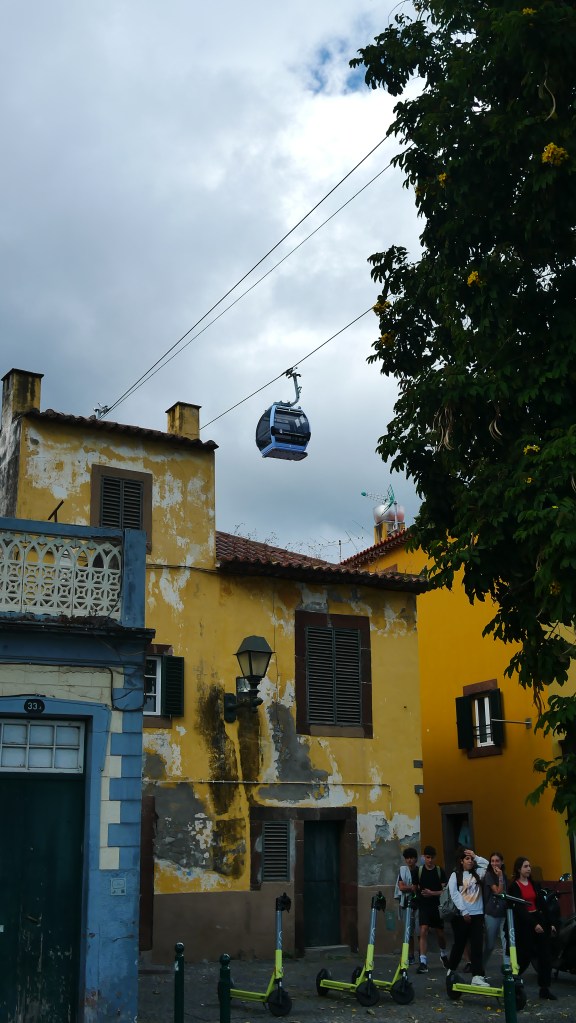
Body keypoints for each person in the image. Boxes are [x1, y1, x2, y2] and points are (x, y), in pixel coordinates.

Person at [509, 856, 557, 1000]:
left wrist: (550, 923)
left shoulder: (534, 884)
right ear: (519, 869)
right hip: (525, 923)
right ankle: (512, 981)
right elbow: (520, 909)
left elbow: (542, 904)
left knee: (545, 956)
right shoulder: (514, 886)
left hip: (538, 918)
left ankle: (544, 988)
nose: (528, 868)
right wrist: (533, 925)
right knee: (524, 956)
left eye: (529, 866)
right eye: (525, 866)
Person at [446, 846, 490, 987]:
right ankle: (451, 970)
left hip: (477, 915)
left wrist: (476, 856)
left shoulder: (478, 873)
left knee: (477, 946)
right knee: (459, 945)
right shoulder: (455, 875)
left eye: (471, 859)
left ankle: (477, 976)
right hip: (462, 916)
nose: (470, 861)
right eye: (467, 858)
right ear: (461, 861)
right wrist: (464, 911)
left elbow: (488, 865)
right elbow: (454, 894)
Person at [412, 845, 449, 972]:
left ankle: (443, 954)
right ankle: (423, 961)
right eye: (428, 857)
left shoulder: (440, 871)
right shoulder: (419, 871)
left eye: (432, 858)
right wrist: (417, 896)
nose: (430, 860)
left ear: (435, 858)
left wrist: (432, 893)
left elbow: (444, 891)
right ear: (424, 857)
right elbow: (414, 887)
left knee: (440, 934)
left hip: (437, 906)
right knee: (423, 930)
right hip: (424, 906)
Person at [483, 851, 508, 971]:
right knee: (490, 944)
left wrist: (502, 876)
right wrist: (500, 877)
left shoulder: (505, 875)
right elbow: (498, 892)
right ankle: (480, 968)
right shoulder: (488, 875)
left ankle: (508, 967)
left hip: (504, 911)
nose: (494, 863)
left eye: (497, 861)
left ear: (502, 862)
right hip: (492, 912)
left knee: (506, 942)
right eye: (492, 861)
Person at [394, 846, 418, 965]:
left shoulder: (419, 871)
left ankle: (421, 956)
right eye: (407, 858)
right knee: (408, 931)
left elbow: (419, 887)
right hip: (405, 903)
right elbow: (401, 887)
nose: (409, 860)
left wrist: (414, 889)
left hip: (417, 904)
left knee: (417, 931)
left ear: (415, 859)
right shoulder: (403, 871)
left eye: (411, 858)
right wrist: (412, 888)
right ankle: (410, 955)